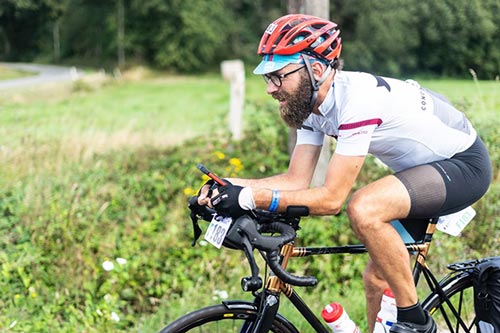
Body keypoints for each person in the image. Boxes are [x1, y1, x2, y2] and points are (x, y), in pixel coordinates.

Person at [198, 14, 492, 333]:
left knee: (364, 208)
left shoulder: (356, 101)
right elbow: (295, 181)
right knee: (377, 279)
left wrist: (247, 197)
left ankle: (416, 321)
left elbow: (331, 199)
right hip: (418, 173)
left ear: (317, 70)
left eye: (279, 76)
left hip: (462, 165)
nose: (271, 89)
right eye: (267, 78)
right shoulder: (310, 106)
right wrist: (223, 188)